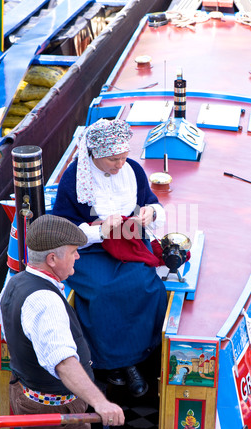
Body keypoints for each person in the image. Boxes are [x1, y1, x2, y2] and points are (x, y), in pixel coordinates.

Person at [52, 118, 167, 397]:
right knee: (104, 291)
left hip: (128, 243)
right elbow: (62, 230)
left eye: (123, 157)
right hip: (87, 250)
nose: (119, 165)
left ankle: (137, 357)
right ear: (95, 154)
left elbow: (151, 203)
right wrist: (98, 231)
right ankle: (116, 364)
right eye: (113, 159)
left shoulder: (133, 171)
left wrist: (151, 213)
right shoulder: (74, 179)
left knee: (147, 286)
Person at [0, 214, 125, 429]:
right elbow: (64, 364)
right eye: (72, 252)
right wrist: (101, 403)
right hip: (57, 415)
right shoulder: (46, 302)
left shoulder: (16, 282)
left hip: (28, 395)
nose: (78, 256)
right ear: (52, 259)